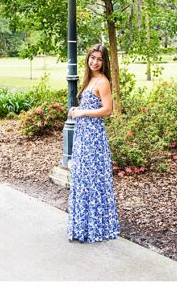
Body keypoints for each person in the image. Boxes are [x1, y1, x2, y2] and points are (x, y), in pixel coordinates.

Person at [66, 43, 120, 243]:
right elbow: (88, 105)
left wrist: (83, 112)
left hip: (94, 139)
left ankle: (96, 228)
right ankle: (82, 227)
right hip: (83, 136)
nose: (95, 62)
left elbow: (107, 110)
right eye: (92, 58)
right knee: (81, 180)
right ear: (88, 58)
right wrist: (76, 109)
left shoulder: (103, 82)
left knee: (93, 182)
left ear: (104, 61)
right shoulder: (89, 80)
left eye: (99, 59)